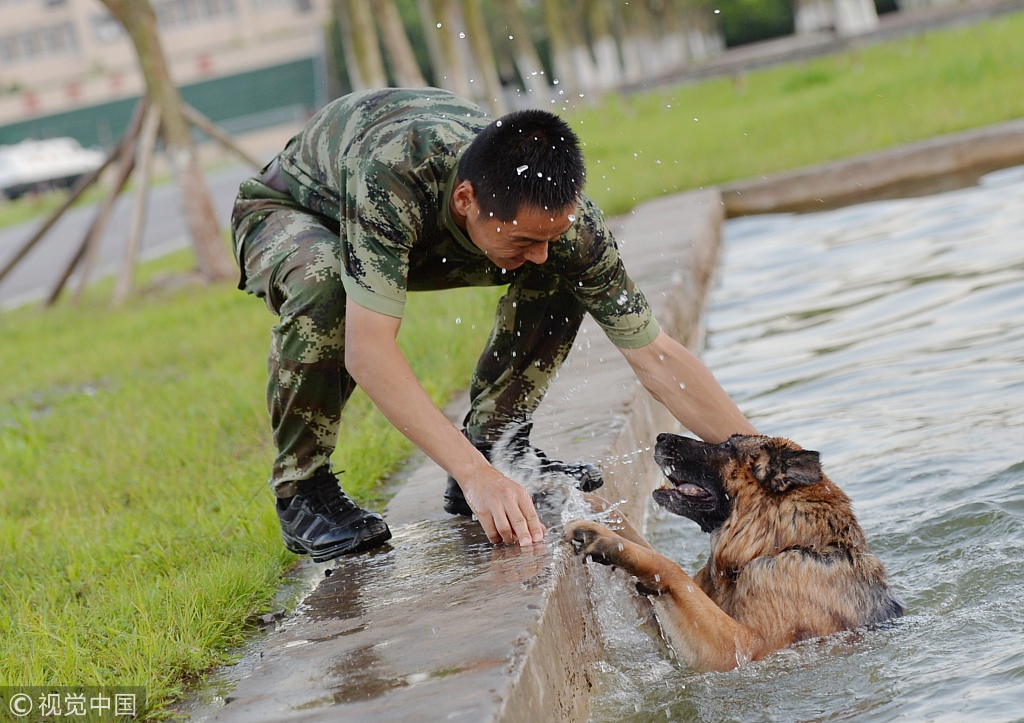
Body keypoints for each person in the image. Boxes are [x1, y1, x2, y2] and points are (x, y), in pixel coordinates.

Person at [230, 87, 756, 563]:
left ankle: (496, 442)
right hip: (295, 213)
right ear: (466, 201)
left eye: (551, 236)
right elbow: (368, 353)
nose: (540, 251)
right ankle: (303, 490)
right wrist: (477, 479)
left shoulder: (567, 227)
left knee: (559, 272)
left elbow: (657, 356)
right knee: (326, 288)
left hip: (420, 230)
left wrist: (768, 460)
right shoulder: (394, 173)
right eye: (524, 240)